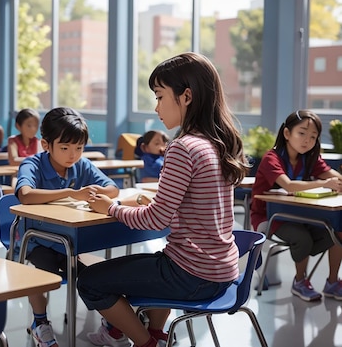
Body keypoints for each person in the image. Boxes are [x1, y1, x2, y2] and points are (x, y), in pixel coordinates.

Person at [77, 52, 249, 347]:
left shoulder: (183, 147)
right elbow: (193, 203)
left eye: (159, 96)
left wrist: (112, 208)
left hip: (191, 276)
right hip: (223, 272)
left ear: (186, 97)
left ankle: (147, 343)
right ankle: (156, 332)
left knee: (89, 282)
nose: (156, 106)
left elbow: (157, 219)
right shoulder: (217, 143)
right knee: (158, 259)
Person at [15, 106, 119, 347]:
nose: (72, 155)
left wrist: (94, 192)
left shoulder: (82, 165)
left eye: (79, 148)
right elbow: (25, 195)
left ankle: (112, 324)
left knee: (97, 275)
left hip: (70, 241)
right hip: (36, 240)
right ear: (45, 145)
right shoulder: (32, 164)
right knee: (41, 274)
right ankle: (39, 323)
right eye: (64, 148)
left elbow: (113, 189)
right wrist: (72, 193)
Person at [250, 109, 342, 302]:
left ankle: (332, 282)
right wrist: (324, 183)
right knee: (303, 238)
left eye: (313, 137)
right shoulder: (271, 158)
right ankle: (299, 282)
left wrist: (337, 181)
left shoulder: (309, 158)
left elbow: (333, 176)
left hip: (298, 213)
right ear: (287, 133)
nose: (306, 140)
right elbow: (289, 185)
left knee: (338, 231)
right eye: (301, 133)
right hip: (268, 216)